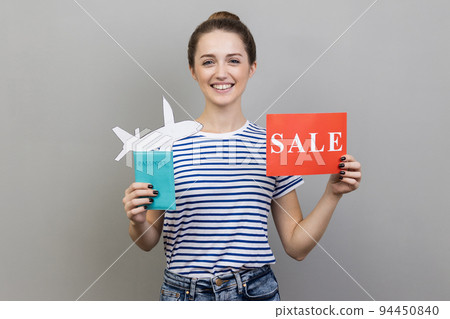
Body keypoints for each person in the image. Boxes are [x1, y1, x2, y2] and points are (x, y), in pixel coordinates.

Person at [122, 11, 362, 301]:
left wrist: (332, 194)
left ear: (251, 68)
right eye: (208, 61)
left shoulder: (275, 145)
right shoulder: (163, 145)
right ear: (193, 70)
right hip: (184, 296)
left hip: (254, 295)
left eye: (233, 60)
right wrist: (137, 221)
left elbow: (296, 246)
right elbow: (148, 240)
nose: (221, 72)